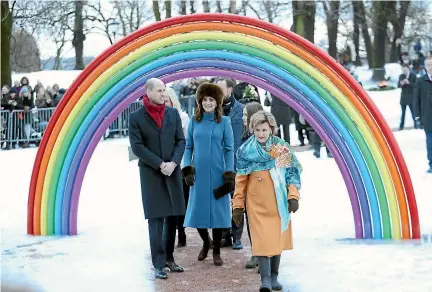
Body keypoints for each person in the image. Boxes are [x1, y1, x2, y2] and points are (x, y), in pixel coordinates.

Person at [232, 110, 303, 292]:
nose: (261, 134)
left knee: (276, 239)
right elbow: (240, 180)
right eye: (257, 130)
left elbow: (291, 173)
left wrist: (293, 196)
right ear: (252, 130)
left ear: (271, 129)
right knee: (262, 241)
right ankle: (264, 280)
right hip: (256, 203)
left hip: (278, 202)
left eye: (264, 130)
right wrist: (238, 206)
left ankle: (274, 276)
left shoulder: (281, 148)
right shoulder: (245, 151)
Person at [128, 78, 186, 280]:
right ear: (149, 92)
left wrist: (174, 163)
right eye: (160, 90)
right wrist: (160, 164)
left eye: (164, 90)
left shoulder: (172, 113)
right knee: (156, 219)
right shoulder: (136, 117)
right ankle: (159, 263)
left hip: (173, 170)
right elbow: (137, 147)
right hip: (151, 173)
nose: (164, 94)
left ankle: (170, 258)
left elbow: (181, 140)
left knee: (172, 217)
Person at [181, 82, 235, 266]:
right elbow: (188, 147)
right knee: (197, 210)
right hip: (199, 173)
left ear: (217, 102)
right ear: (200, 101)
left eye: (211, 99)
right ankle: (206, 242)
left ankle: (217, 251)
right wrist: (187, 168)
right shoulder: (194, 121)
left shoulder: (224, 122)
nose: (208, 103)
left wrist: (229, 172)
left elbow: (229, 149)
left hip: (219, 172)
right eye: (205, 99)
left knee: (219, 213)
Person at [215, 78, 246, 250]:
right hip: (218, 164)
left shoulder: (241, 110)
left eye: (221, 89)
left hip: (237, 163)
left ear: (229, 89)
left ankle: (237, 237)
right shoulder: (212, 111)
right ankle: (223, 235)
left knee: (237, 200)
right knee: (219, 200)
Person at [164, 87, 190, 247]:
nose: (164, 102)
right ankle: (171, 233)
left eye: (167, 100)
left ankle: (181, 230)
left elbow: (186, 141)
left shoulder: (182, 117)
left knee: (181, 200)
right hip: (165, 164)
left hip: (180, 164)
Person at [240, 102, 264, 269]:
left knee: (263, 222)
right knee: (251, 221)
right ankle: (257, 252)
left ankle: (265, 255)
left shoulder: (263, 138)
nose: (243, 118)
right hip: (248, 186)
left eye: (245, 115)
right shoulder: (244, 136)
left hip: (263, 186)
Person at [414, 57, 432, 173]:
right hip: (428, 117)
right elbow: (417, 100)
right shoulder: (420, 81)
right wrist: (418, 117)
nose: (430, 67)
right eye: (428, 65)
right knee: (430, 142)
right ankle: (431, 163)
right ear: (425, 67)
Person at [398, 64, 417, 130]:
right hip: (403, 97)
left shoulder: (413, 75)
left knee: (413, 112)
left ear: (408, 69)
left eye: (405, 70)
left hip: (411, 97)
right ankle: (401, 126)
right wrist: (401, 83)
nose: (404, 71)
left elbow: (416, 85)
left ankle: (416, 125)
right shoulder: (401, 76)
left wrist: (409, 83)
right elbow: (398, 85)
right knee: (403, 113)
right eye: (403, 70)